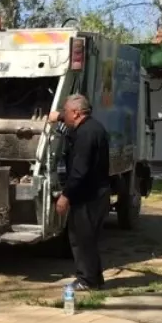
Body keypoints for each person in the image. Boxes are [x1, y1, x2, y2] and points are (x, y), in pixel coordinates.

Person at [48, 94, 110, 290]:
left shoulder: (86, 135)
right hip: (96, 194)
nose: (64, 114)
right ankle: (94, 279)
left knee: (82, 239)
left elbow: (79, 171)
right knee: (87, 238)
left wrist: (65, 196)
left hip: (88, 196)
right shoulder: (92, 127)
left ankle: (87, 281)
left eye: (65, 112)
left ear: (75, 113)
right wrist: (58, 117)